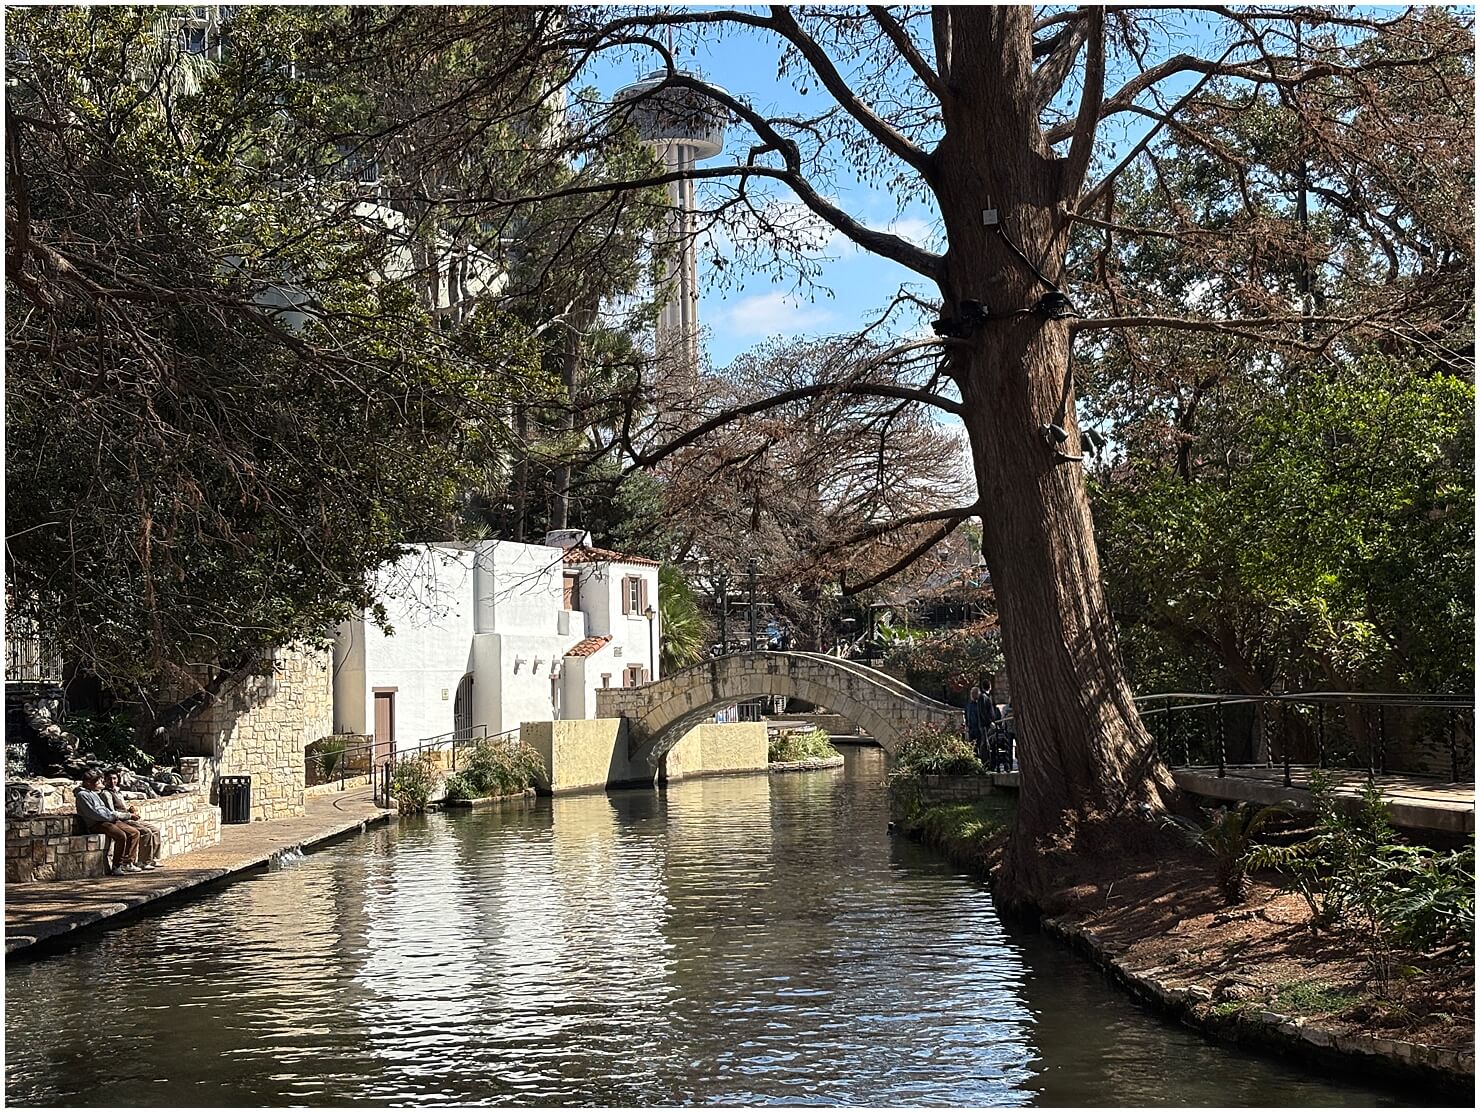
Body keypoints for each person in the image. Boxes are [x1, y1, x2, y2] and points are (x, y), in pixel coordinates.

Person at [74, 770, 144, 874]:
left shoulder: (93, 793)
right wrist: (112, 817)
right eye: (97, 782)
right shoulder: (82, 795)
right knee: (121, 835)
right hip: (97, 823)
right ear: (88, 783)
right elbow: (95, 814)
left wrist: (117, 816)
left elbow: (105, 809)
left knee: (134, 832)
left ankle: (128, 863)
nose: (100, 784)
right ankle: (117, 866)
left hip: (109, 820)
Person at [102, 769, 162, 870]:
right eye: (109, 779)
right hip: (122, 820)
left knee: (155, 830)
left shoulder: (118, 791)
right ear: (105, 780)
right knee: (145, 832)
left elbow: (122, 806)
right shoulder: (106, 794)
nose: (112, 781)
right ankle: (141, 861)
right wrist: (129, 815)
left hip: (129, 817)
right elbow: (113, 812)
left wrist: (131, 810)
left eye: (114, 779)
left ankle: (153, 859)